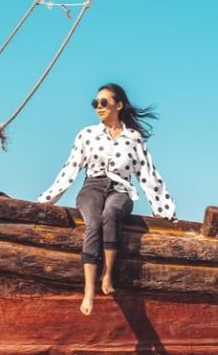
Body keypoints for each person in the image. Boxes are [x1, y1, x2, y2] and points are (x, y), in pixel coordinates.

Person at [37, 83, 175, 316]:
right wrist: (45, 200)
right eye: (95, 104)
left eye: (103, 103)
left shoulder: (133, 138)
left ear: (118, 105)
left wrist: (163, 209)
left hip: (121, 190)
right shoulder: (87, 134)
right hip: (92, 187)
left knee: (110, 214)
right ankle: (89, 288)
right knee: (93, 222)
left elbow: (148, 173)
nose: (98, 107)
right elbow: (70, 169)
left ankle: (107, 274)